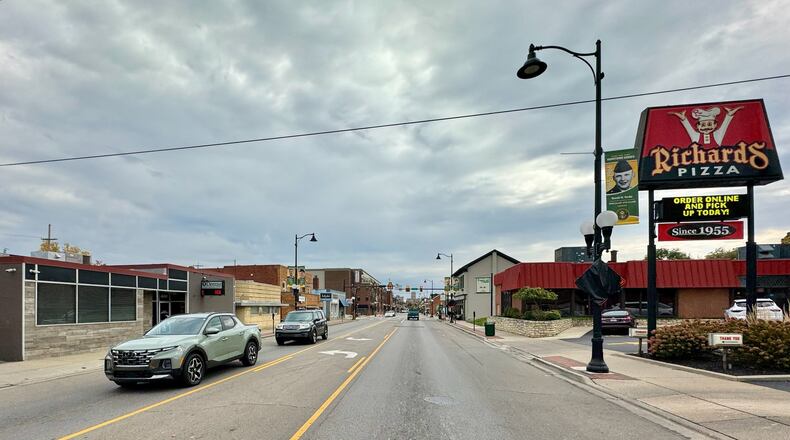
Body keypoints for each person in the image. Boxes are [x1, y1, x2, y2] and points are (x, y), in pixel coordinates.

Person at [668, 106, 743, 148]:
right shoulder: (696, 136)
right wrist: (683, 118)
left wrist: (729, 115)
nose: (706, 127)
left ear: (715, 125)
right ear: (698, 126)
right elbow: (688, 128)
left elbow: (724, 125)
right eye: (703, 125)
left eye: (710, 124)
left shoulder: (717, 136)